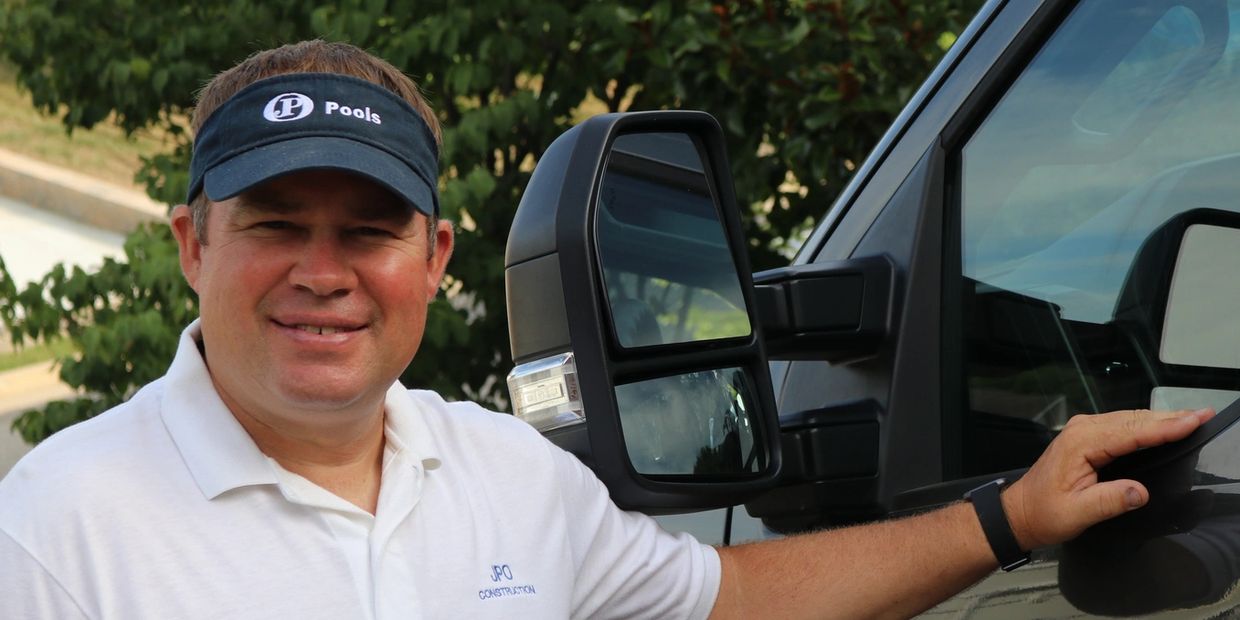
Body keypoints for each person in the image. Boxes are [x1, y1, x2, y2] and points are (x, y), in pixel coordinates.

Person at [0, 40, 1215, 619]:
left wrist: (1010, 514)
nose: (324, 273)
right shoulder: (58, 528)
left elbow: (733, 598)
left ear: (434, 258)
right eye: (275, 224)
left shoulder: (504, 470)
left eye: (369, 230)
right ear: (192, 243)